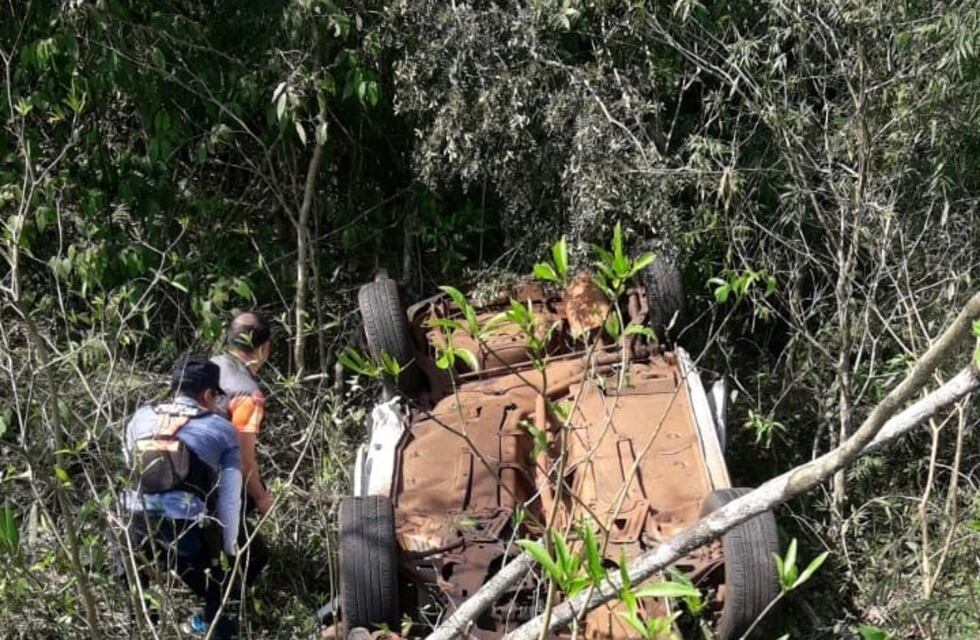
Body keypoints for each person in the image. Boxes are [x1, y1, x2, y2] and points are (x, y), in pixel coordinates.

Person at [119, 356, 242, 638]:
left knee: (136, 597)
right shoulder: (222, 430)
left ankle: (142, 629)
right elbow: (230, 498)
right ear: (208, 394)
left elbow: (127, 464)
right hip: (183, 528)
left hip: (132, 524)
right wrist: (229, 549)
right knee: (220, 595)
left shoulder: (140, 417)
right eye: (215, 397)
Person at [211, 311, 273, 584]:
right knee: (253, 557)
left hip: (166, 473)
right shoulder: (248, 393)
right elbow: (244, 462)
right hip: (208, 484)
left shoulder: (207, 367)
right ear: (263, 348)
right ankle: (217, 614)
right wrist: (262, 499)